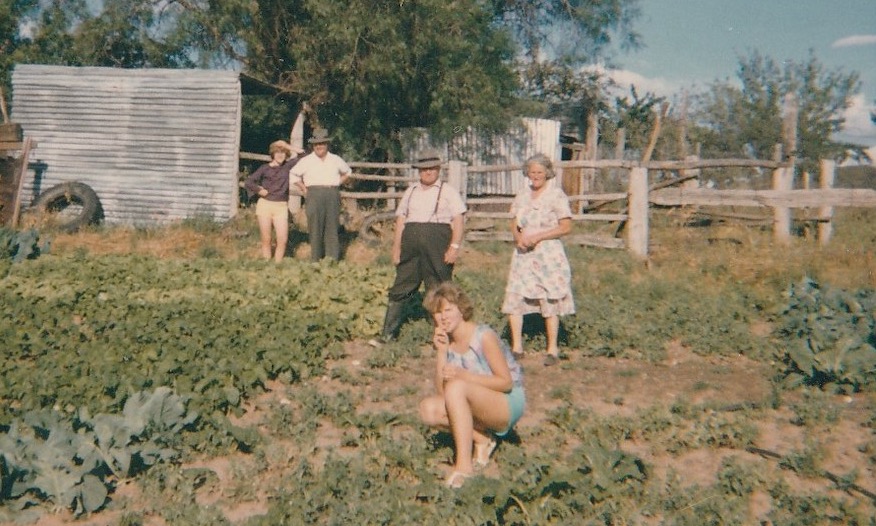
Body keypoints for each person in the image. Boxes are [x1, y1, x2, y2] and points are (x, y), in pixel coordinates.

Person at [419, 282, 525, 488]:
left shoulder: (483, 336)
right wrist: (441, 352)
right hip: (476, 399)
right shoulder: (447, 342)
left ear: (461, 309)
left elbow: (505, 382)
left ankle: (464, 468)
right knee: (428, 409)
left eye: (448, 310)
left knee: (458, 386)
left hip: (507, 401)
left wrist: (463, 376)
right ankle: (483, 439)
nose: (443, 317)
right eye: (437, 313)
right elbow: (443, 394)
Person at [375, 148, 466, 343]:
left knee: (440, 287)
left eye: (432, 168)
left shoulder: (448, 191)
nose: (428, 172)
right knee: (402, 285)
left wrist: (454, 247)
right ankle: (388, 335)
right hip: (411, 245)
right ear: (418, 171)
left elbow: (458, 220)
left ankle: (443, 335)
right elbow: (401, 220)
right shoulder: (411, 191)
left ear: (438, 170)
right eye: (424, 169)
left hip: (437, 244)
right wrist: (396, 247)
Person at [501, 153, 575, 366]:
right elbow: (514, 222)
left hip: (548, 254)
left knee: (549, 298)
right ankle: (517, 347)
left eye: (539, 172)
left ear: (547, 173)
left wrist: (538, 237)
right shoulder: (523, 195)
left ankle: (552, 349)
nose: (535, 176)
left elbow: (566, 226)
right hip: (524, 254)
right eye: (532, 172)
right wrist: (519, 237)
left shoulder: (556, 195)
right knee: (516, 296)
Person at [290, 128, 352, 261]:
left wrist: (337, 183)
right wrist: (303, 188)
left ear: (327, 145)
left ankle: (331, 259)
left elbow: (348, 172)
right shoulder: (307, 160)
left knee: (332, 226)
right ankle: (315, 260)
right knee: (315, 227)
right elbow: (293, 174)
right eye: (317, 144)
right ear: (313, 146)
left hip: (332, 194)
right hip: (313, 194)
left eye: (322, 143)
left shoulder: (335, 159)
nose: (319, 146)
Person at [243, 140, 304, 261]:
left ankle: (278, 266)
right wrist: (258, 190)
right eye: (277, 152)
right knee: (266, 239)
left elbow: (303, 154)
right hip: (265, 205)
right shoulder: (264, 168)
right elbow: (249, 182)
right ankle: (266, 264)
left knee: (282, 240)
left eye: (283, 153)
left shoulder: (287, 166)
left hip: (281, 206)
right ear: (273, 154)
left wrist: (287, 146)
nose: (280, 155)